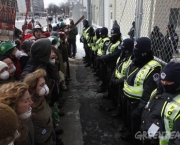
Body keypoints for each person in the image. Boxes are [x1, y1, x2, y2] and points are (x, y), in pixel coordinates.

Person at [121, 37, 162, 144]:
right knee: (130, 123)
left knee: (137, 128)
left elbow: (148, 93)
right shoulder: (136, 61)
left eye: (136, 48)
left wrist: (139, 110)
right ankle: (130, 136)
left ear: (143, 52)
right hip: (129, 100)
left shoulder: (153, 68)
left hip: (139, 105)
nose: (134, 50)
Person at [141, 62, 180, 145]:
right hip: (150, 135)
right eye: (162, 80)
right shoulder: (158, 92)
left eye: (169, 81)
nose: (164, 83)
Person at [23, 69, 63, 145]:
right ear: (32, 88)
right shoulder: (29, 106)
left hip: (49, 132)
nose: (45, 87)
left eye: (44, 84)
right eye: (41, 85)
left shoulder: (40, 97)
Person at [109, 38, 134, 117]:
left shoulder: (132, 60)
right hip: (117, 80)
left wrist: (118, 81)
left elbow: (128, 75)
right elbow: (117, 67)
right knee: (117, 97)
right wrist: (113, 77)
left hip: (123, 83)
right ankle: (117, 110)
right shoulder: (122, 56)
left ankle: (121, 114)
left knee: (122, 101)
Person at [98, 27, 122, 93]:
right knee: (105, 78)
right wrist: (103, 56)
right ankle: (106, 89)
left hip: (112, 65)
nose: (113, 35)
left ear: (118, 34)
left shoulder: (119, 43)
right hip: (106, 62)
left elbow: (114, 55)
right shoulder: (111, 41)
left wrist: (104, 57)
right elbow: (106, 49)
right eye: (112, 33)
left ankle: (110, 94)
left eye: (114, 33)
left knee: (110, 80)